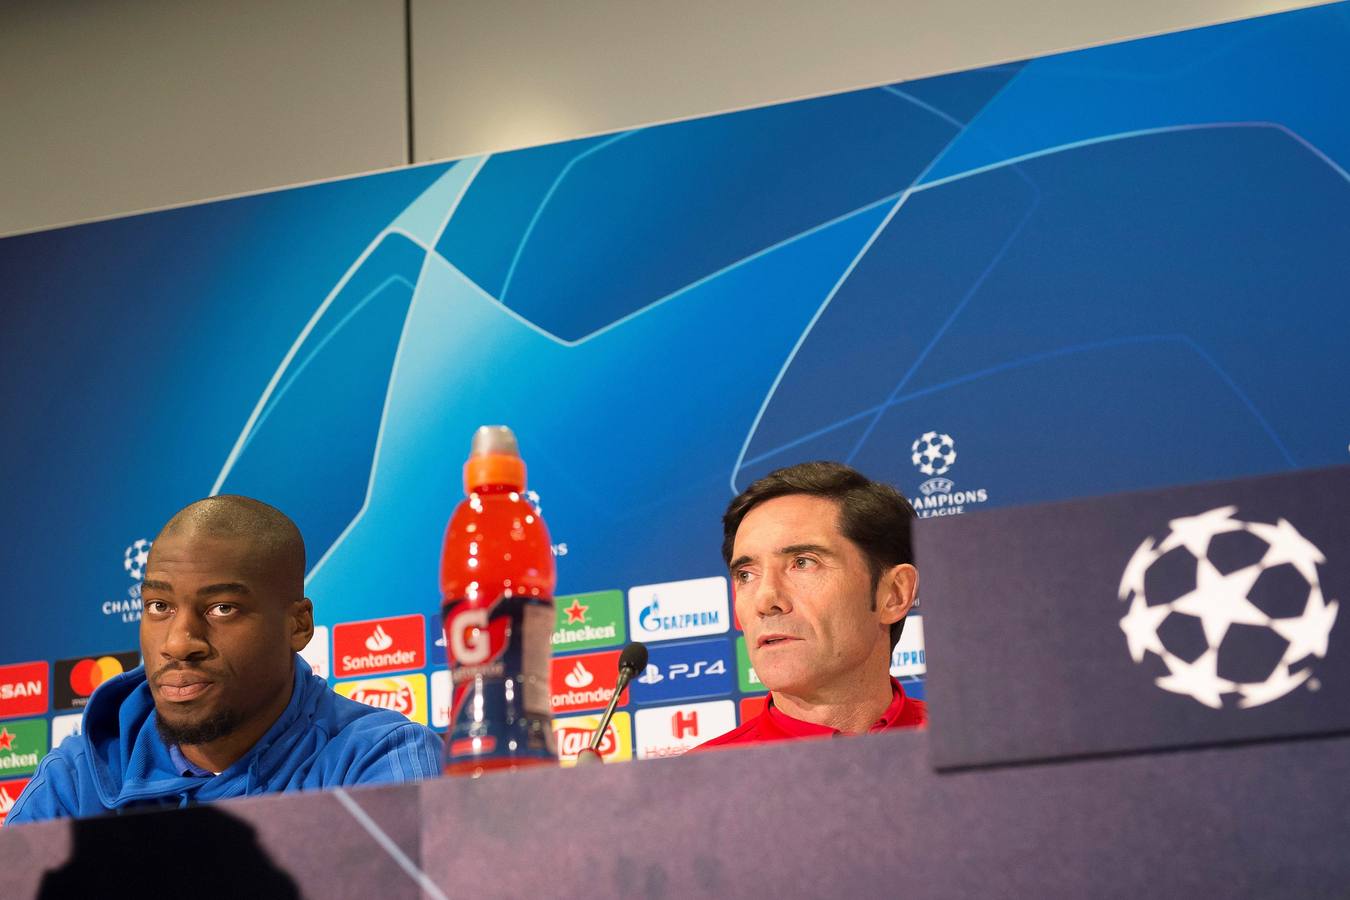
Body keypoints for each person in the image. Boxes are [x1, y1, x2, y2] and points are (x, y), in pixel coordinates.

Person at [5, 495, 442, 825]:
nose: (178, 643)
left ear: (298, 625)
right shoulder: (79, 776)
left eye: (222, 609)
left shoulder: (375, 760)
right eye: (159, 606)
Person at [694, 461, 926, 750]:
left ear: (894, 593)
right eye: (746, 575)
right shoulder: (694, 786)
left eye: (802, 563)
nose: (766, 600)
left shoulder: (983, 753)